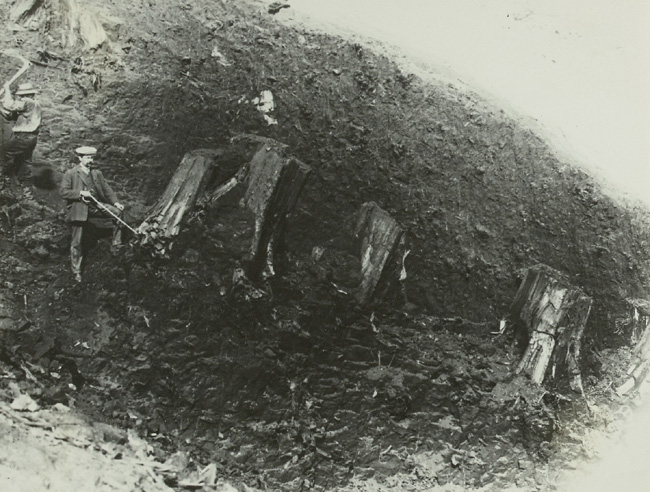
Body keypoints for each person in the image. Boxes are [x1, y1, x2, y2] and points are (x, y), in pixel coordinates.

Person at [60, 146, 125, 282]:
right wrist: (80, 193)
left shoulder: (96, 173)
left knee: (117, 213)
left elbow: (107, 189)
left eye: (92, 158)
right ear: (80, 158)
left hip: (95, 206)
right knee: (77, 242)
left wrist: (115, 202)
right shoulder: (71, 173)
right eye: (88, 158)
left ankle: (116, 245)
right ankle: (76, 271)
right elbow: (64, 192)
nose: (90, 160)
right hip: (79, 209)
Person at [0, 82, 41, 185]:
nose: (20, 98)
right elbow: (9, 114)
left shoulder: (28, 102)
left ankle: (2, 178)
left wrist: (7, 89)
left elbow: (9, 105)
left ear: (27, 95)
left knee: (4, 152)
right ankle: (24, 185)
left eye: (21, 96)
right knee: (24, 160)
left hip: (25, 136)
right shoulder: (33, 104)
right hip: (31, 137)